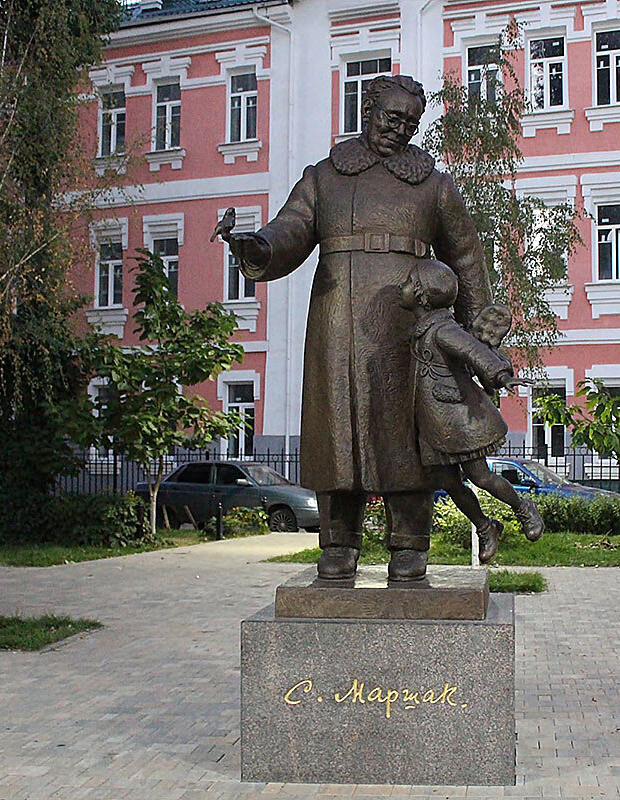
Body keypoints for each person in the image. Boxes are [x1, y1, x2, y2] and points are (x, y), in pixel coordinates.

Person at [215, 74, 490, 581]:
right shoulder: (325, 177)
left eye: (410, 123)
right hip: (336, 319)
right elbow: (291, 229)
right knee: (335, 429)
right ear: (369, 110)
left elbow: (467, 256)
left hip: (407, 325)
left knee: (406, 437)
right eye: (392, 117)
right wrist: (259, 246)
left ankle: (410, 544)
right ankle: (338, 542)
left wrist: (479, 329)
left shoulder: (433, 184)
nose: (400, 129)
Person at [399, 259, 545, 563]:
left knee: (481, 476)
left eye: (410, 283)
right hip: (433, 422)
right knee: (449, 483)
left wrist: (501, 376)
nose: (403, 287)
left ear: (423, 295)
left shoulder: (443, 330)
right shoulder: (422, 328)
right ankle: (485, 526)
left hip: (459, 418)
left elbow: (474, 351)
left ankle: (523, 508)